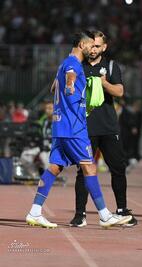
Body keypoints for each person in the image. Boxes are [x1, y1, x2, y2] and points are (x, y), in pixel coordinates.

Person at [25, 30, 131, 228]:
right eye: (91, 45)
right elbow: (69, 82)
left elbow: (54, 87)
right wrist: (71, 87)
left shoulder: (63, 64)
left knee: (55, 167)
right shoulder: (74, 65)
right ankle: (104, 214)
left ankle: (35, 211)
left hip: (59, 126)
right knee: (89, 167)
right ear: (82, 45)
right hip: (74, 127)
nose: (93, 49)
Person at [70, 30, 137, 227]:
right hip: (85, 128)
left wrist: (104, 83)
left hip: (108, 127)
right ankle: (79, 214)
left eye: (97, 46)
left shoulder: (110, 65)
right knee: (83, 171)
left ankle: (122, 210)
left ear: (104, 47)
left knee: (118, 168)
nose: (93, 49)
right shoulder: (78, 65)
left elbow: (120, 91)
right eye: (91, 45)